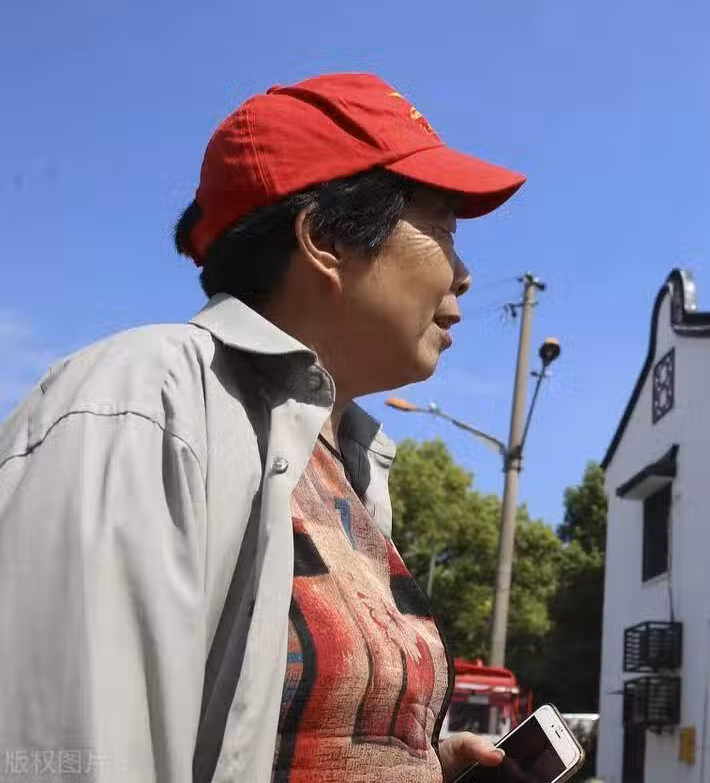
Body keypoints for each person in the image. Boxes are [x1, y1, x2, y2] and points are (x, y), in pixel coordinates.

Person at [0, 72, 526, 783]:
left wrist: (414, 765)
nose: (463, 274)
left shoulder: (353, 469)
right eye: (442, 229)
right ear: (324, 239)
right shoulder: (147, 401)